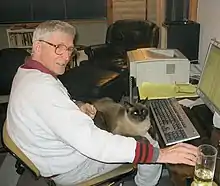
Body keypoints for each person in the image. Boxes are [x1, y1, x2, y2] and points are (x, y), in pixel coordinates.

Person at [6, 20, 198, 186]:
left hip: (51, 153)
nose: (66, 57)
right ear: (38, 47)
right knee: (149, 144)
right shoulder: (43, 91)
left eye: (70, 49)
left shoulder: (28, 72)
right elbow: (94, 145)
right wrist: (160, 155)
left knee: (128, 138)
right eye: (59, 48)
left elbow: (52, 107)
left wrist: (77, 106)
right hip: (72, 169)